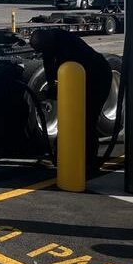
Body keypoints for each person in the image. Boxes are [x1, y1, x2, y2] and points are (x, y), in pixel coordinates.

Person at [30, 28, 113, 175]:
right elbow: (50, 70)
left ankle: (89, 161)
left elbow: (67, 76)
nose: (42, 53)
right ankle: (65, 155)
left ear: (47, 43)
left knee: (87, 119)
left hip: (98, 77)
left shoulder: (66, 46)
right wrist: (49, 88)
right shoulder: (50, 44)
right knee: (71, 118)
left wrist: (52, 92)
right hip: (82, 77)